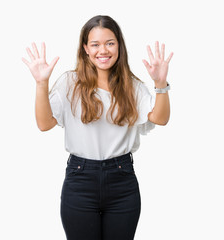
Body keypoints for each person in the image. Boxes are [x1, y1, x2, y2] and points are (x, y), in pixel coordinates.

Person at [22, 15, 173, 240]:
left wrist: (161, 84)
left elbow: (160, 119)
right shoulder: (69, 83)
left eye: (110, 43)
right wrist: (41, 83)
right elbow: (44, 124)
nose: (103, 50)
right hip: (80, 180)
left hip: (122, 181)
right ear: (85, 49)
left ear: (119, 46)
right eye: (95, 44)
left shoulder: (132, 86)